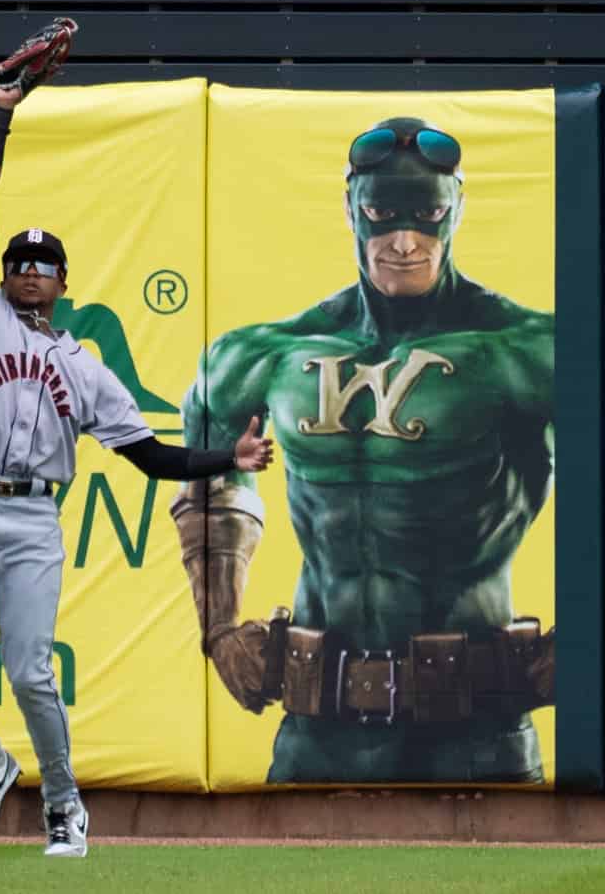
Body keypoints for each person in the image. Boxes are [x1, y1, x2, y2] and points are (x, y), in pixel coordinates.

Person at [0, 83, 274, 857]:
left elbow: (148, 456)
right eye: (20, 262)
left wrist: (229, 457)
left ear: (65, 281)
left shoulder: (83, 367)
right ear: (1, 275)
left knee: (30, 672)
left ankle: (65, 803)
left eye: (45, 263)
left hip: (34, 518)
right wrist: (2, 112)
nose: (31, 269)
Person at [171, 117, 555, 784]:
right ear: (350, 207)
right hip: (317, 728)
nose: (404, 242)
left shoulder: (526, 350)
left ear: (456, 208)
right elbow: (208, 461)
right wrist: (220, 626)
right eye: (381, 214)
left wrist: (598, 639)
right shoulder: (267, 354)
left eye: (428, 215)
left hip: (478, 729)